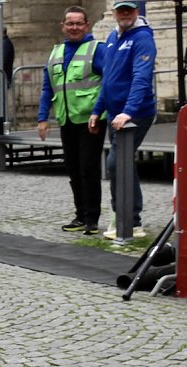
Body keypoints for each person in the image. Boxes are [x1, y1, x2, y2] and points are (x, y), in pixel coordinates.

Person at [89, 0, 157, 240]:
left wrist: (128, 111)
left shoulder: (142, 38)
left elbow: (141, 77)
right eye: (121, 10)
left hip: (135, 113)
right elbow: (108, 78)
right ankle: (128, 217)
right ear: (114, 12)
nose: (125, 13)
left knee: (116, 162)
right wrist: (98, 109)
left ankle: (127, 218)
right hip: (115, 113)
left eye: (129, 9)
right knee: (123, 163)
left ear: (137, 12)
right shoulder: (112, 37)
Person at [38, 6, 107, 236]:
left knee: (89, 169)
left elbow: (108, 83)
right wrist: (42, 118)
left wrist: (99, 111)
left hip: (90, 120)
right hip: (67, 120)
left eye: (78, 23)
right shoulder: (56, 52)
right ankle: (80, 215)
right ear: (63, 26)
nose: (74, 27)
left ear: (86, 26)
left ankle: (92, 218)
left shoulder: (97, 49)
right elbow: (48, 87)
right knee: (74, 170)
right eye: (70, 23)